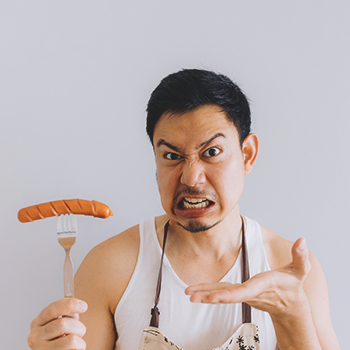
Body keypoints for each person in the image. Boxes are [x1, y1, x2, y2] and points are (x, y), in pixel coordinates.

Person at [27, 69, 340, 350]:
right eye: (172, 156)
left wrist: (293, 314)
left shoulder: (290, 269)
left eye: (211, 152)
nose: (191, 178)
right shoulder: (110, 266)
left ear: (247, 154)